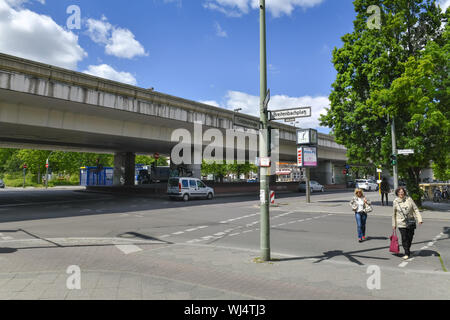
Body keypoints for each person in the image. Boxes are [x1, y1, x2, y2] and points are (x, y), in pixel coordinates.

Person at [392, 187, 423, 260]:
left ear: (404, 193)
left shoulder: (409, 199)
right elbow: (394, 214)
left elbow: (415, 209)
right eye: (399, 192)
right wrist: (394, 224)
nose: (401, 193)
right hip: (401, 222)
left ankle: (407, 248)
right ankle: (406, 252)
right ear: (397, 193)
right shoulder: (395, 201)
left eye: (402, 192)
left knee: (410, 236)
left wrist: (419, 219)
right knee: (404, 237)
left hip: (411, 221)